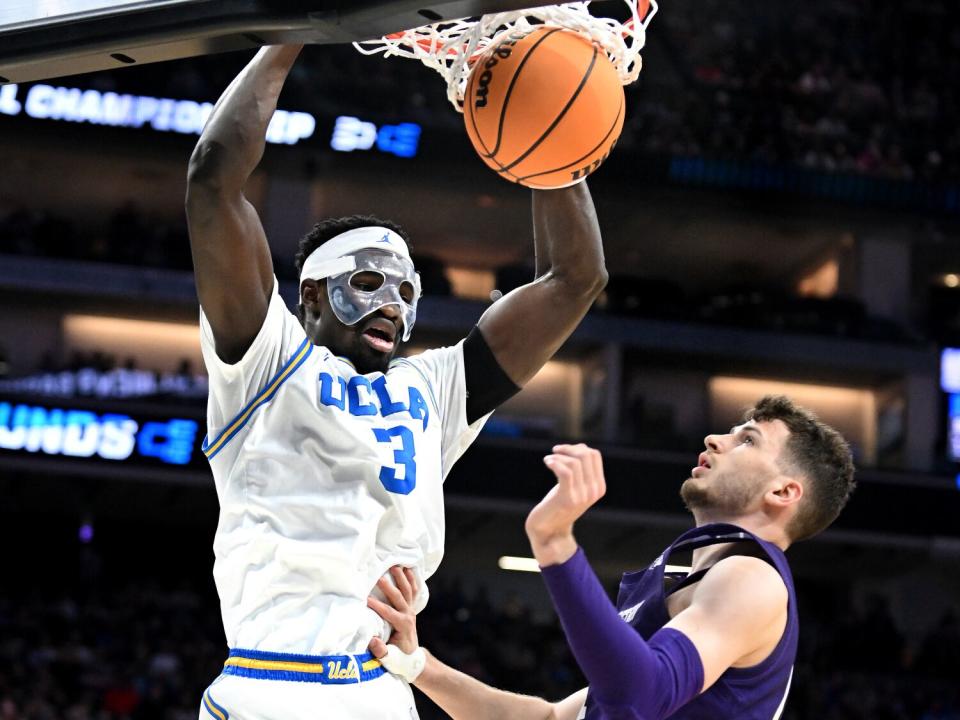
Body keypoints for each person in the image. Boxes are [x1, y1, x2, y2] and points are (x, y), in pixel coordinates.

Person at [185, 44, 607, 719]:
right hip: (271, 683)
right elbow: (212, 179)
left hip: (382, 688)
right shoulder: (265, 362)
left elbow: (574, 280)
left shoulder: (435, 387)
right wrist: (288, 33)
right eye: (370, 282)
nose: (393, 305)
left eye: (407, 291)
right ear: (313, 297)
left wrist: (550, 142)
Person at [367, 395, 856, 719]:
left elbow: (641, 695)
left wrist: (557, 545)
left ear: (784, 490)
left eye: (747, 439)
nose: (715, 439)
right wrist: (418, 666)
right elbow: (552, 718)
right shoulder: (690, 572)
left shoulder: (752, 579)